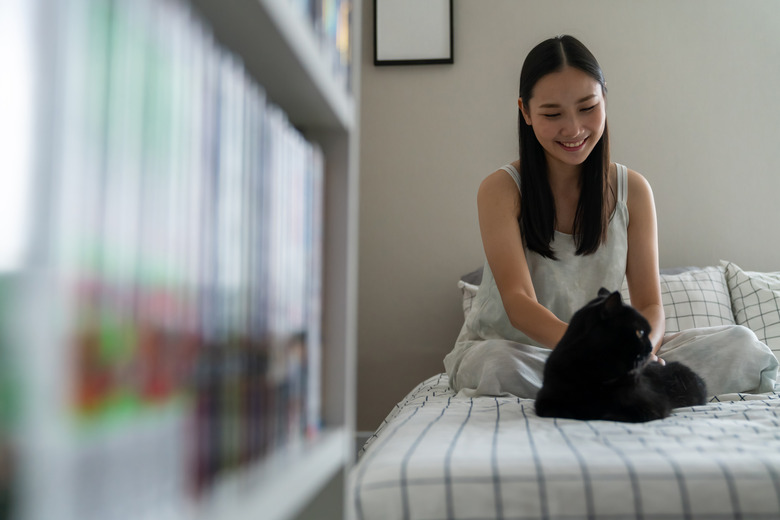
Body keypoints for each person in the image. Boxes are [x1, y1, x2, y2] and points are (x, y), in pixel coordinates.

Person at [443, 35, 777, 399]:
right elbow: (520, 303)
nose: (573, 129)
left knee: (740, 345)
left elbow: (650, 305)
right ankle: (625, 390)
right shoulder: (500, 190)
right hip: (522, 350)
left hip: (613, 357)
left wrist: (643, 353)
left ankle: (611, 387)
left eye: (587, 107)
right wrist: (591, 352)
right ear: (524, 111)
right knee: (499, 364)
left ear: (604, 96)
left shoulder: (633, 189)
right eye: (553, 114)